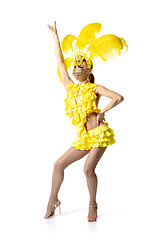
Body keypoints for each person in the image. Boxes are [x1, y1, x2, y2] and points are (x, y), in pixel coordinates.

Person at [44, 21, 127, 221]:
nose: (76, 67)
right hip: (83, 138)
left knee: (87, 169)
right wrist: (56, 35)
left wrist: (102, 113)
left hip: (98, 135)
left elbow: (118, 97)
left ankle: (93, 205)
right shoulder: (70, 87)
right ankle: (52, 201)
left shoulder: (95, 88)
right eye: (76, 65)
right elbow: (60, 62)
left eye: (81, 65)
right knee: (58, 165)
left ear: (89, 69)